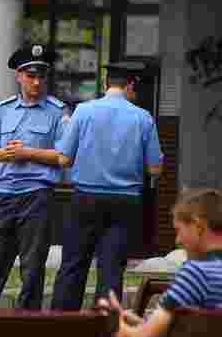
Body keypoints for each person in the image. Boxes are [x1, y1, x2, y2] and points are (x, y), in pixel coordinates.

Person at [98, 188, 222, 337]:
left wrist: (113, 323)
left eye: (179, 230)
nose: (178, 240)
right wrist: (142, 325)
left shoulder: (195, 274)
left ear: (198, 225)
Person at [51, 63, 163, 311]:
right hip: (125, 201)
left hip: (86, 198)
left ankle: (60, 327)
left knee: (73, 265)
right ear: (130, 85)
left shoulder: (83, 111)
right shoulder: (143, 117)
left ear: (106, 83)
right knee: (111, 268)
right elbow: (155, 169)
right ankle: (104, 332)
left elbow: (63, 158)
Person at [0, 44, 67, 310]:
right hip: (6, 197)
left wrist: (28, 153)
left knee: (32, 269)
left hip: (38, 197)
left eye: (40, 76)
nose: (36, 82)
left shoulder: (58, 112)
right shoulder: (4, 109)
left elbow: (64, 157)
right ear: (18, 76)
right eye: (29, 75)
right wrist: (7, 155)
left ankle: (28, 326)